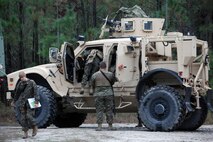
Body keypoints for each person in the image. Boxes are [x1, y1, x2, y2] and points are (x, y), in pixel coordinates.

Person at [90, 61, 118, 131]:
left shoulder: (95, 75)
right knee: (109, 110)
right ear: (106, 67)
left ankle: (99, 126)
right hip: (109, 93)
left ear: (100, 67)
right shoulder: (110, 74)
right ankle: (110, 126)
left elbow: (92, 84)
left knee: (99, 110)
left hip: (98, 94)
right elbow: (113, 82)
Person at [12, 71, 39, 139]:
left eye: (22, 77)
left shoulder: (32, 82)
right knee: (23, 119)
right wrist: (14, 101)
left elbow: (36, 92)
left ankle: (34, 127)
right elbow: (17, 93)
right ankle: (25, 134)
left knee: (29, 116)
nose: (21, 79)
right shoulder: (20, 84)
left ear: (25, 76)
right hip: (23, 102)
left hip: (31, 102)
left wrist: (36, 100)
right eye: (20, 78)